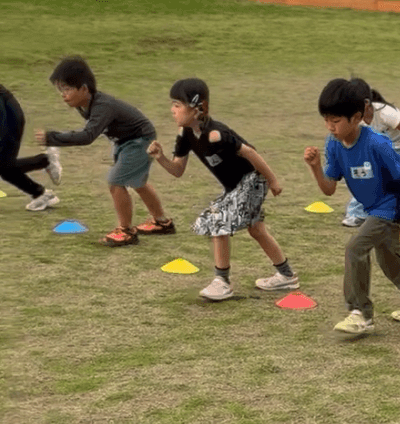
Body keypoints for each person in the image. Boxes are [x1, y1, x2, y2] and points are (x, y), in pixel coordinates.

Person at [304, 78, 400, 335]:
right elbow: (329, 189)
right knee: (389, 261)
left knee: (355, 247)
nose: (330, 127)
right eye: (326, 120)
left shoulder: (376, 142)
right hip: (374, 207)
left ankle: (360, 313)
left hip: (394, 203)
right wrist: (314, 167)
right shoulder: (333, 144)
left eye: (335, 121)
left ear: (356, 118)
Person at [147, 78, 298, 301]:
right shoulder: (186, 134)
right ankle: (287, 276)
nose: (172, 110)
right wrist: (160, 158)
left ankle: (222, 282)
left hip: (252, 179)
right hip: (235, 187)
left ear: (198, 108)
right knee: (256, 230)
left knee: (218, 219)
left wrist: (273, 180)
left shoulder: (216, 133)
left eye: (178, 105)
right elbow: (178, 169)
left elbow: (250, 152)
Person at [37, 57, 173, 246]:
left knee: (115, 181)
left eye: (67, 89)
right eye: (61, 90)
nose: (63, 95)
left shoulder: (102, 106)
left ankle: (126, 231)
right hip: (126, 141)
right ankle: (162, 222)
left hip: (139, 140)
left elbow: (87, 136)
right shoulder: (84, 104)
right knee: (137, 182)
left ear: (84, 89)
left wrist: (52, 138)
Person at [341, 80, 400, 227]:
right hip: (384, 146)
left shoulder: (385, 113)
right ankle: (356, 214)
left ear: (366, 103)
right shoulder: (355, 118)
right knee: (365, 176)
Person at [1, 83, 62, 210]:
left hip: (8, 119)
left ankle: (45, 162)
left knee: (4, 166)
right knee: (4, 168)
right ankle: (41, 194)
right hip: (6, 116)